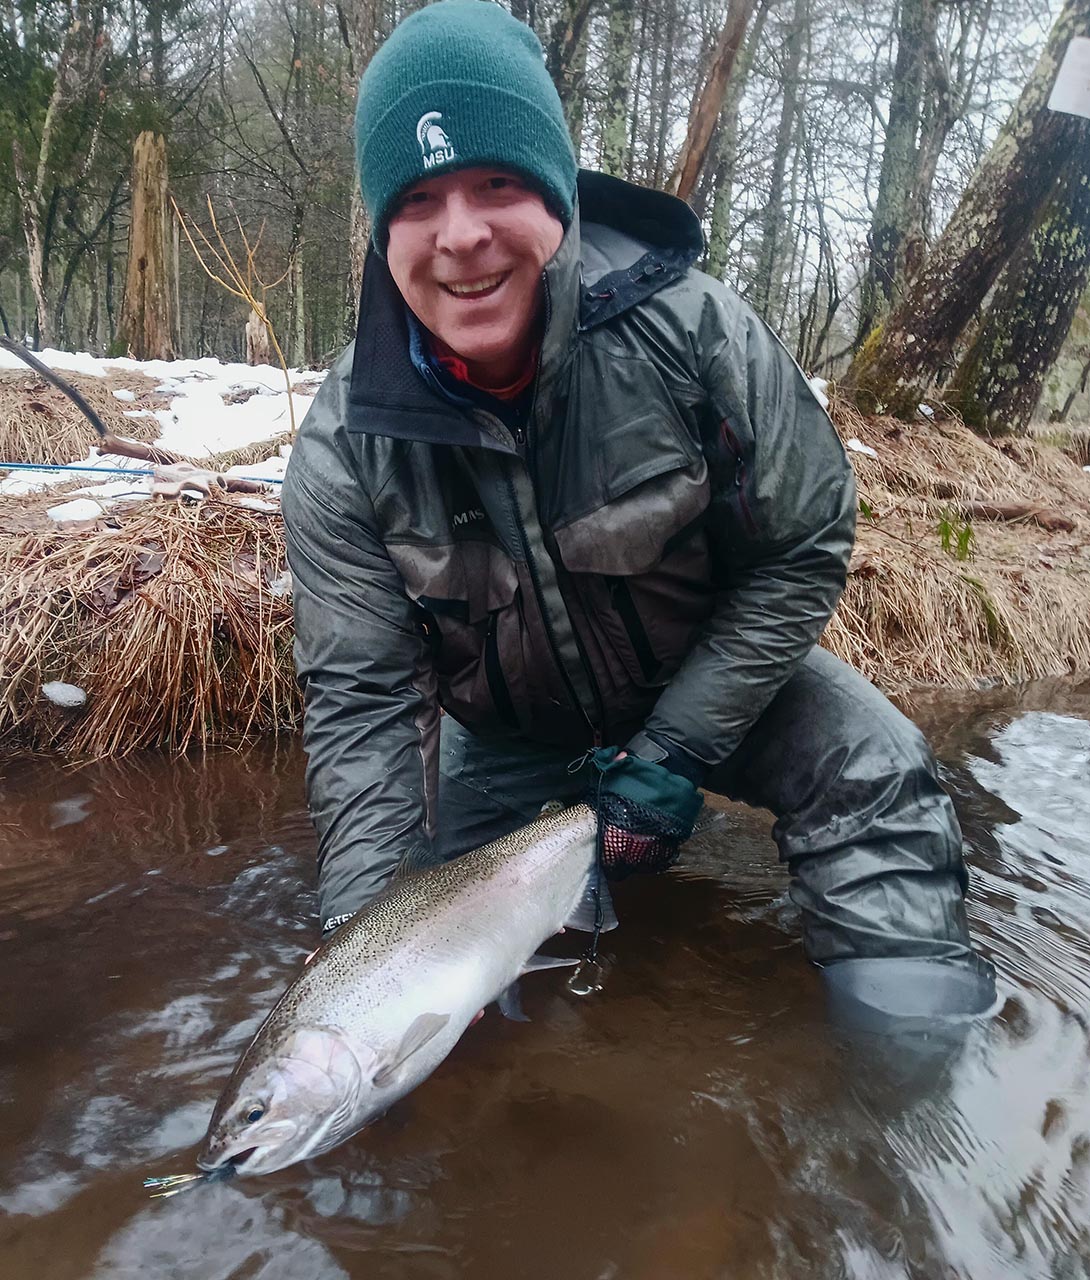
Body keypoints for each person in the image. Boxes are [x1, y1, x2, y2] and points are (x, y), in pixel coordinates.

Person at [281, 0, 996, 1023]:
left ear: (559, 193)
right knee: (457, 968)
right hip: (507, 734)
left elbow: (800, 548)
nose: (463, 234)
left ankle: (909, 1084)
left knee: (876, 769)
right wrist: (358, 972)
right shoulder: (345, 445)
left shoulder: (693, 335)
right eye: (419, 199)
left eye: (497, 182)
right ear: (382, 229)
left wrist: (674, 755)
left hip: (710, 678)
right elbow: (360, 714)